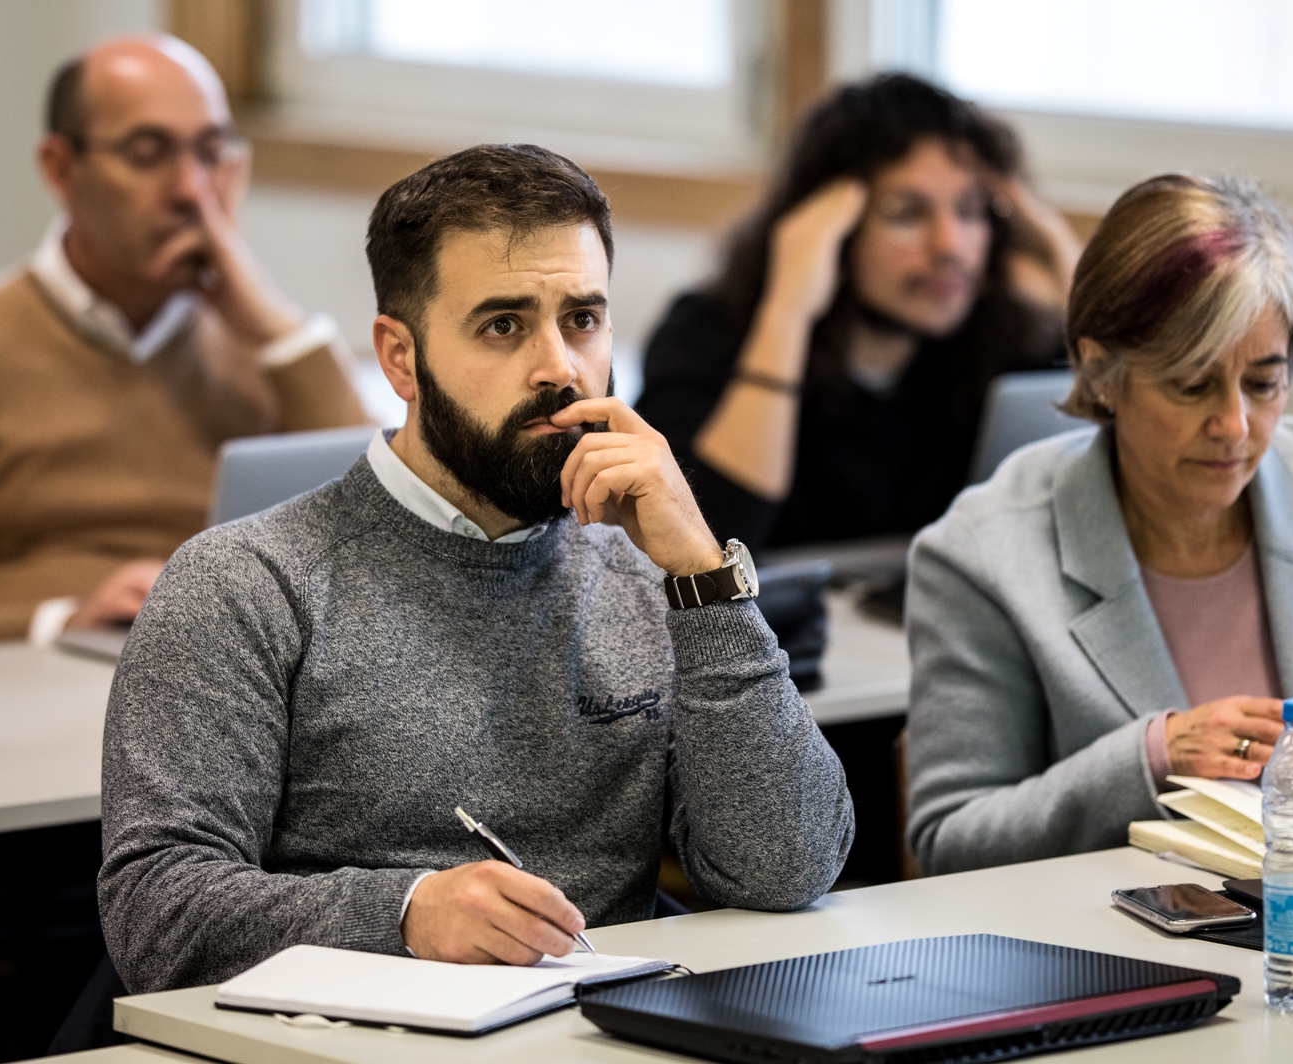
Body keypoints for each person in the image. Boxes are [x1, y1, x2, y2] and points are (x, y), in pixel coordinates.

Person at [97, 144, 855, 993]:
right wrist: (405, 915)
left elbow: (786, 868)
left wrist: (704, 576)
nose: (559, 367)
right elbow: (156, 916)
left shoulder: (649, 576)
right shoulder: (243, 585)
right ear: (400, 358)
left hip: (606, 1032)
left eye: (582, 320)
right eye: (503, 326)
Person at [904, 174, 1293, 875]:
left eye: (1264, 383)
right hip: (1095, 933)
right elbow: (950, 839)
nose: (1234, 426)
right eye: (1192, 384)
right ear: (1101, 374)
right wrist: (1155, 757)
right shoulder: (981, 554)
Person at [0, 35, 367, 648]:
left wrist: (277, 331)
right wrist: (62, 622)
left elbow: (386, 542)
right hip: (25, 675)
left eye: (211, 153)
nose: (191, 189)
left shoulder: (263, 351)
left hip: (217, 673)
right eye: (147, 154)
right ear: (60, 168)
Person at [634, 74, 1078, 550]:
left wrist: (1063, 256)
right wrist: (787, 312)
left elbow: (1101, 487)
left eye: (970, 211)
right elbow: (704, 544)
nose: (950, 246)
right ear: (830, 229)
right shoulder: (703, 335)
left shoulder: (1007, 338)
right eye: (907, 213)